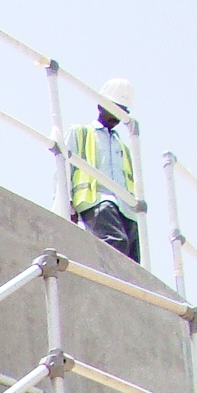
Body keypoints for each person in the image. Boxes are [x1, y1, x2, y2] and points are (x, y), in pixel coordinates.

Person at [68, 79, 141, 264]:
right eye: (114, 108)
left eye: (122, 111)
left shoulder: (123, 147)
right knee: (115, 242)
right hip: (97, 200)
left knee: (133, 262)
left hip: (126, 210)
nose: (117, 116)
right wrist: (66, 202)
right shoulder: (81, 133)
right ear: (100, 105)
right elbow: (64, 169)